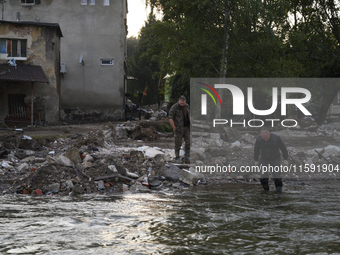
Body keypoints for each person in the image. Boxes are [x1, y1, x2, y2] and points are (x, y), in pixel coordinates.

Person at [169, 95, 190, 162]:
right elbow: (170, 118)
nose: (182, 104)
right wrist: (174, 127)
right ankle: (177, 157)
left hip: (187, 127)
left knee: (188, 142)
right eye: (181, 103)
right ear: (179, 101)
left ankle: (187, 157)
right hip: (178, 128)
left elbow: (189, 115)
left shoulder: (187, 106)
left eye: (183, 103)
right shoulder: (174, 107)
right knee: (178, 143)